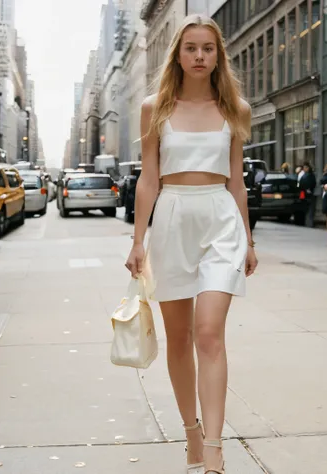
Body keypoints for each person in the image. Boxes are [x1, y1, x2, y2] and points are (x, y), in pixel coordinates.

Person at [124, 14, 258, 474]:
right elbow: (148, 178)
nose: (200, 56)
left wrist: (249, 239)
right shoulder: (154, 107)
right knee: (178, 338)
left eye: (208, 48)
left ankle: (216, 453)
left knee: (208, 332)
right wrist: (138, 240)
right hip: (172, 220)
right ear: (177, 55)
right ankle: (192, 435)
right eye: (191, 48)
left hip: (220, 219)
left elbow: (237, 181)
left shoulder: (234, 108)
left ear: (219, 55)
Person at [298, 161, 316, 227]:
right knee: (305, 208)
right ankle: (306, 222)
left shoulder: (310, 175)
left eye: (306, 167)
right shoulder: (303, 175)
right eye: (304, 168)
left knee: (310, 209)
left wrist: (309, 189)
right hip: (303, 193)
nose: (305, 169)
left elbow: (313, 184)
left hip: (308, 193)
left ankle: (309, 223)